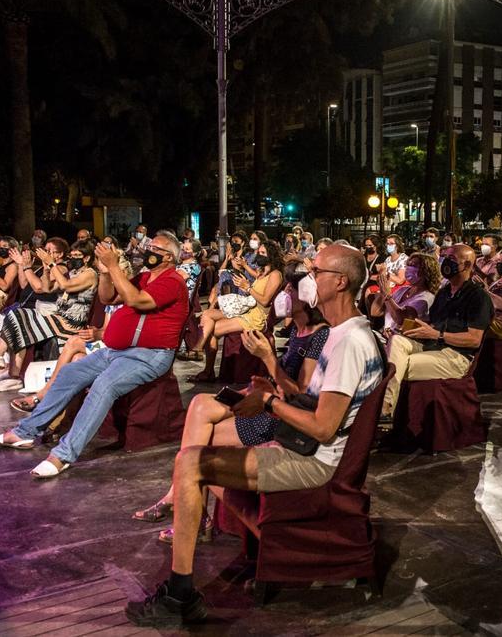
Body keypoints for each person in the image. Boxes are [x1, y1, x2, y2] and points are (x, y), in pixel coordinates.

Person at [125, 244, 382, 627]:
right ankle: (215, 556)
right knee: (196, 453)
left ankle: (180, 595)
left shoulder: (350, 343)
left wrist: (267, 404)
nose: (307, 279)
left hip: (311, 460)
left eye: (316, 271)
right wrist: (273, 384)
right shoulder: (343, 334)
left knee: (189, 463)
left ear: (340, 282)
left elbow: (325, 428)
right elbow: (311, 399)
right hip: (301, 443)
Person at [132, 262, 331, 542]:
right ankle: (188, 507)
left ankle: (188, 508)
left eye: (290, 290)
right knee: (200, 402)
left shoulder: (319, 335)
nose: (283, 296)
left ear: (308, 298)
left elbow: (299, 393)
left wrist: (268, 359)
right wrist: (265, 383)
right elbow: (284, 383)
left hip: (283, 418)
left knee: (203, 440)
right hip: (272, 401)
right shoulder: (298, 332)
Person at [0, 233, 189, 477]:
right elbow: (108, 297)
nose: (148, 249)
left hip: (148, 356)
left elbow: (135, 300)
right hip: (118, 351)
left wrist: (114, 265)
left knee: (104, 385)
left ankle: (63, 455)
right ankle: (25, 432)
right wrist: (105, 271)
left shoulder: (172, 281)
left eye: (154, 247)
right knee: (69, 372)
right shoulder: (145, 276)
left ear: (168, 257)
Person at [380, 244, 493, 419]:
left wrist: (437, 335)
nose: (445, 262)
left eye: (452, 259)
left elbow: (474, 339)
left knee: (394, 366)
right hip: (433, 345)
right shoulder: (444, 293)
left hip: (456, 356)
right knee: (397, 342)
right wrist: (406, 330)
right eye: (445, 257)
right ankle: (385, 409)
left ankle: (384, 411)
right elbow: (433, 325)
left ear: (468, 265)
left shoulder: (478, 297)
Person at [0, 241, 99, 391]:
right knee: (17, 315)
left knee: (20, 319)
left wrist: (52, 264)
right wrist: (46, 270)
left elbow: (67, 286)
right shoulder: (73, 272)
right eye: (71, 256)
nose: (73, 258)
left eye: (77, 256)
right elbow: (47, 288)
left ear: (86, 258)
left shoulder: (90, 274)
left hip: (71, 323)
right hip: (59, 318)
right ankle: (8, 371)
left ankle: (5, 365)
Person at [189, 241, 285, 382]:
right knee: (207, 314)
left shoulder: (276, 274)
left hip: (257, 317)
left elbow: (264, 300)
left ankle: (207, 369)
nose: (259, 255)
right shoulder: (262, 271)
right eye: (259, 252)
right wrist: (242, 269)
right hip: (247, 309)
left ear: (272, 255)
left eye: (263, 253)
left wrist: (248, 287)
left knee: (213, 330)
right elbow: (251, 279)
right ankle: (199, 350)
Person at [369, 252, 440, 337]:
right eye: (408, 265)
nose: (408, 268)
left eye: (413, 265)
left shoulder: (426, 298)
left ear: (426, 271)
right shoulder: (403, 290)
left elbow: (401, 320)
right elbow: (375, 312)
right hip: (385, 336)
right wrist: (382, 290)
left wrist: (387, 296)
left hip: (401, 341)